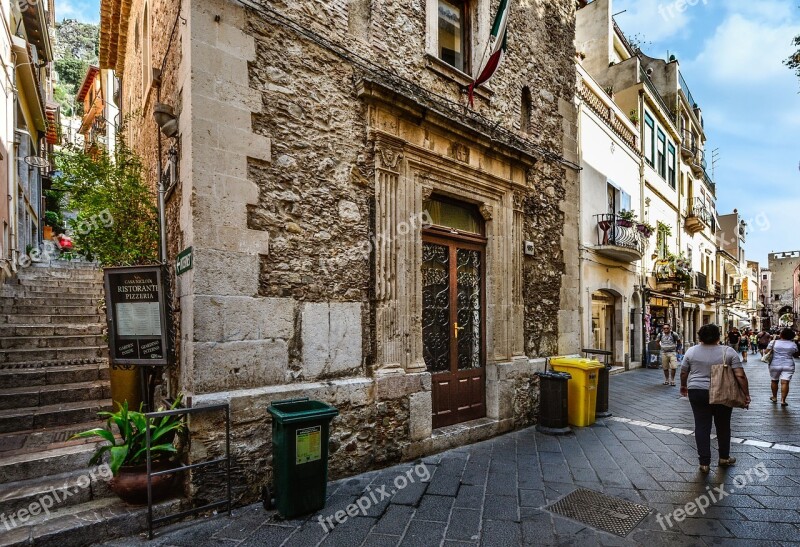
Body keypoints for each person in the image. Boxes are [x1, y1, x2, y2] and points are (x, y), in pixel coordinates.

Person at [680, 324, 750, 473]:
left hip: (697, 391)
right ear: (719, 336)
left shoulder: (691, 351)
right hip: (722, 391)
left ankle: (704, 463)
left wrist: (683, 386)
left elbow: (684, 372)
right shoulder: (728, 351)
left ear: (700, 336)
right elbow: (740, 375)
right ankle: (724, 457)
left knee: (701, 426)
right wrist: (746, 394)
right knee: (723, 425)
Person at [766, 328, 796, 407]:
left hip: (775, 364)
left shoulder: (774, 342)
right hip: (788, 364)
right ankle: (783, 400)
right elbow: (796, 354)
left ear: (781, 334)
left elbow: (766, 352)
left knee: (774, 381)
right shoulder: (793, 344)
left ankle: (774, 397)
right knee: (785, 382)